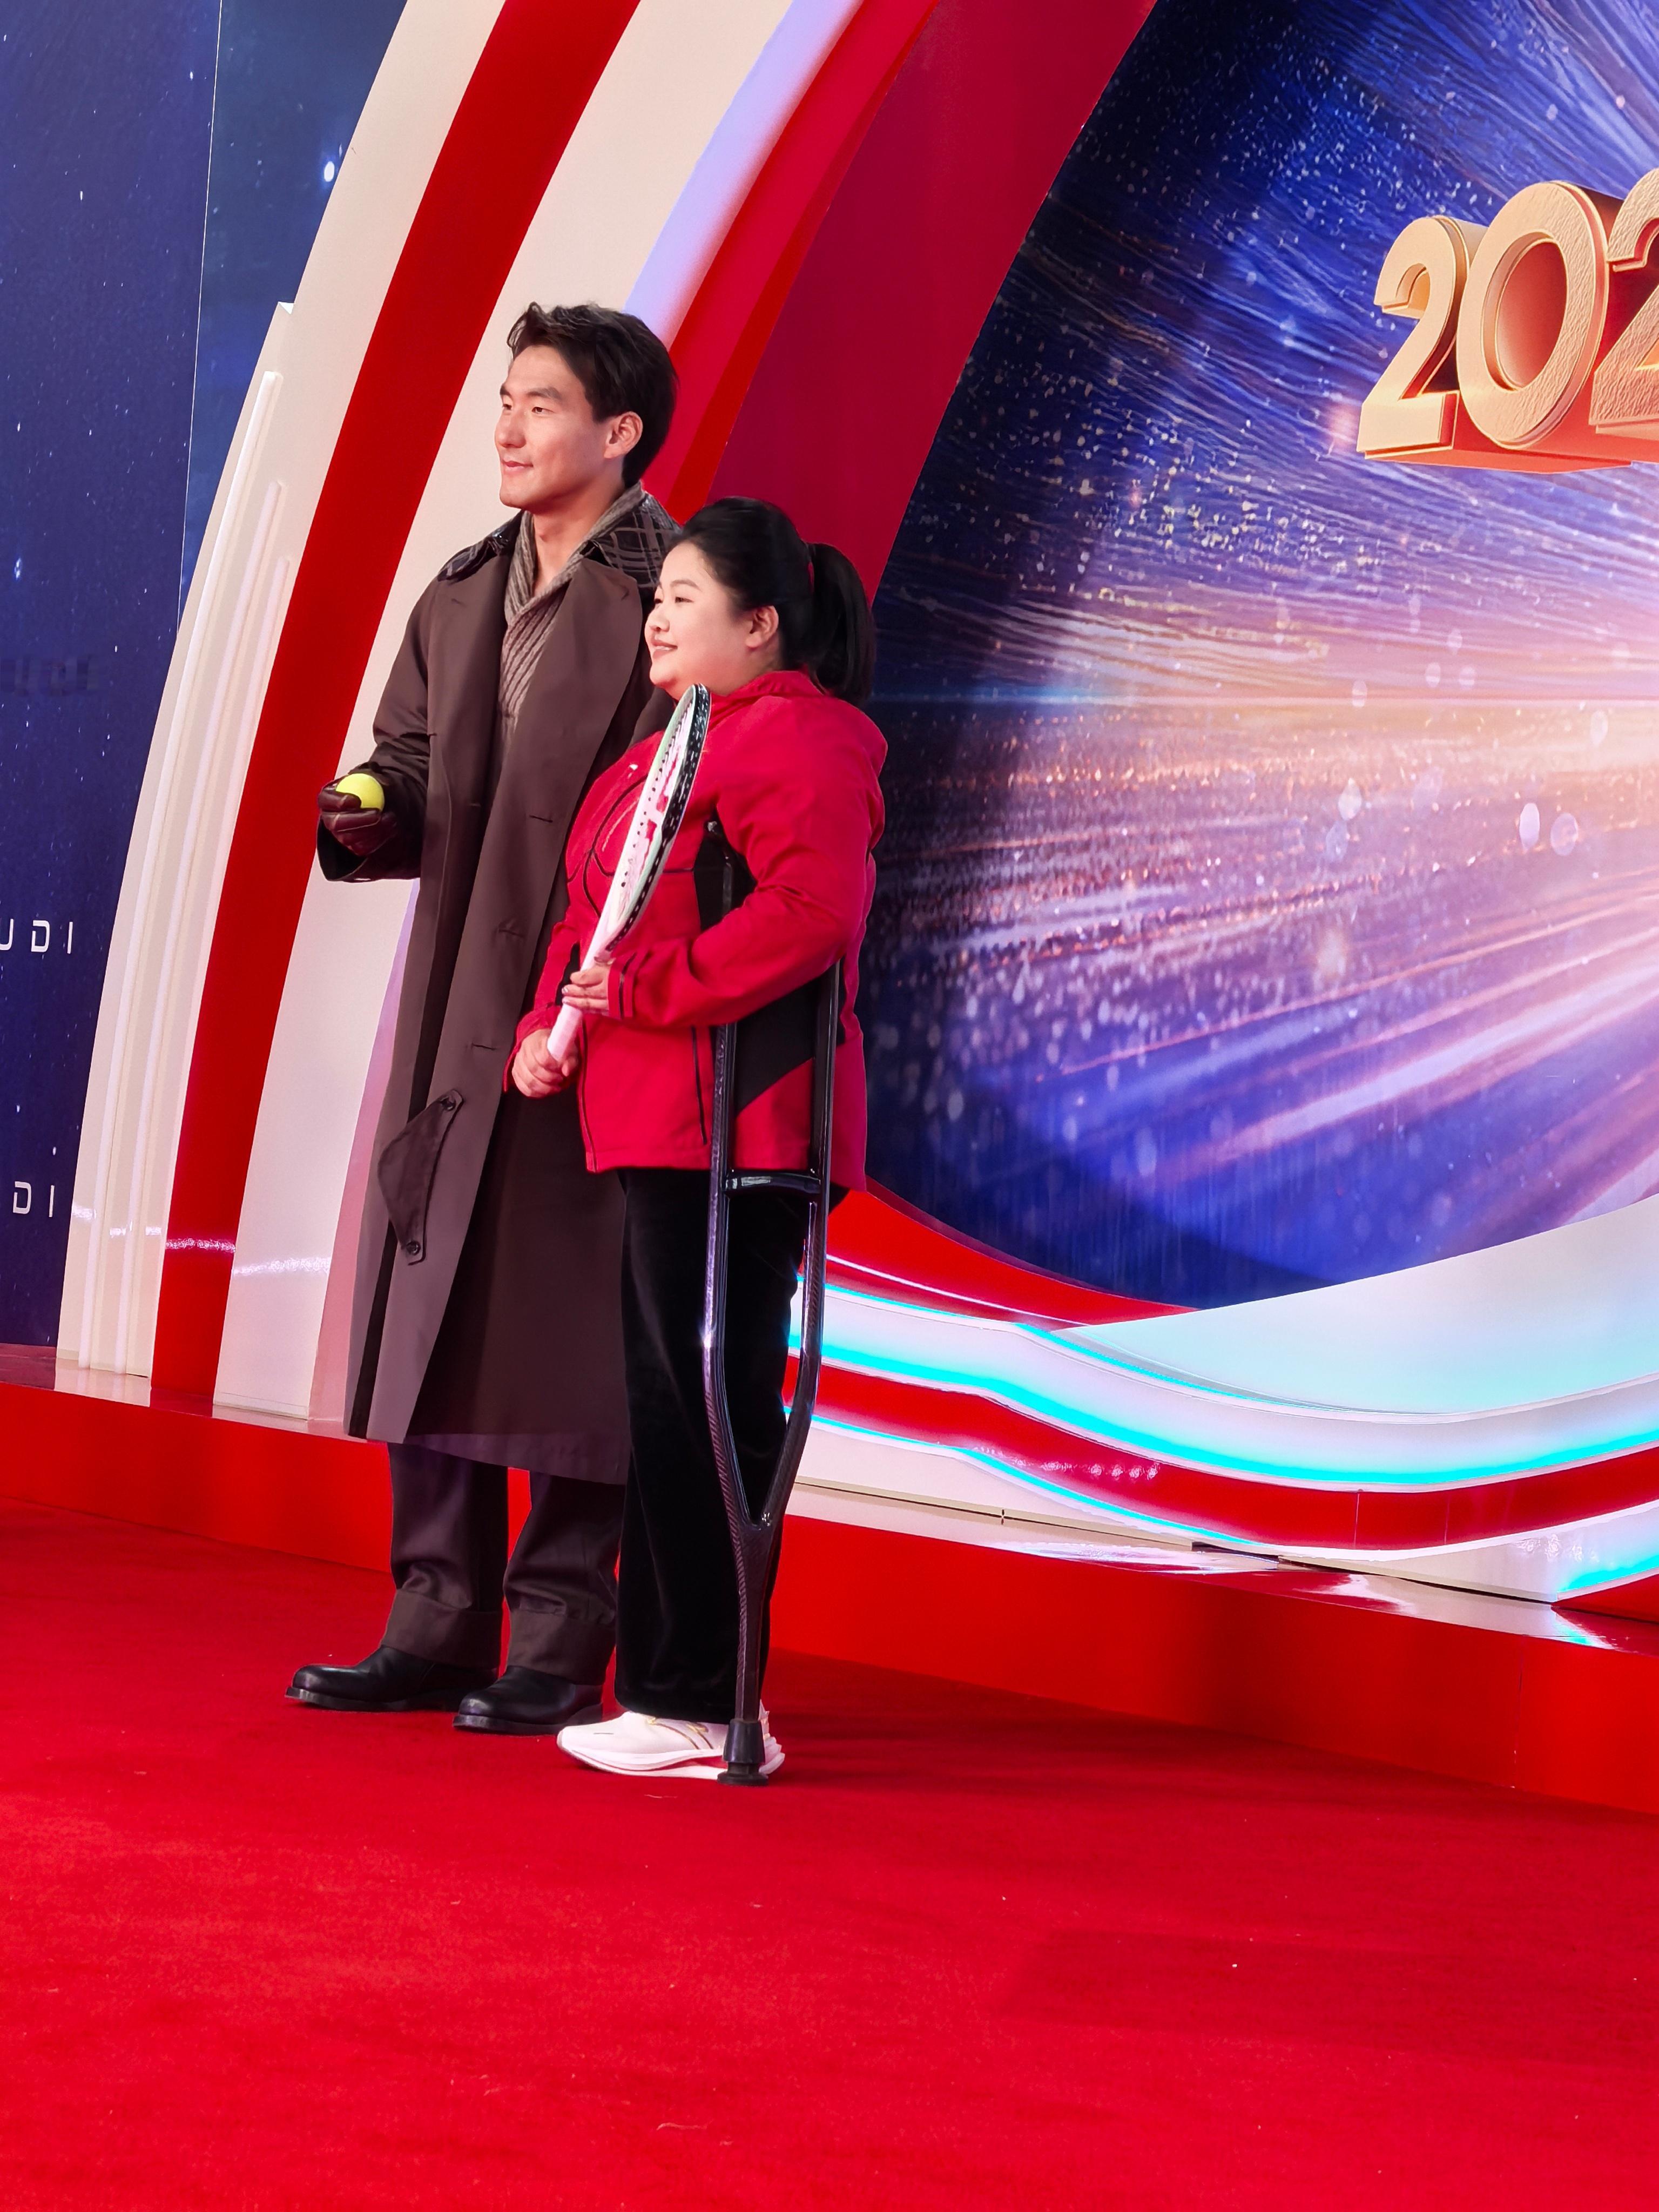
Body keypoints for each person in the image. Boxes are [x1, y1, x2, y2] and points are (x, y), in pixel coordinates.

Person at [287, 304, 678, 1734]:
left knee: (570, 1320)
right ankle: (434, 1616)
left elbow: (682, 802)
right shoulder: (460, 592)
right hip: (457, 998)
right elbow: (406, 758)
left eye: (540, 403)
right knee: (432, 1291)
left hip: (595, 1001)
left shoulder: (670, 592)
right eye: (504, 400)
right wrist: (369, 803)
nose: (508, 428)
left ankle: (562, 1633)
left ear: (620, 431)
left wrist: (599, 979)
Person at [509, 497, 885, 1779]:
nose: (658, 617)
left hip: (741, 1125)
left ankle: (706, 1701)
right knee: (669, 1396)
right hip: (659, 1119)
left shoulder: (798, 739)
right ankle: (679, 1691)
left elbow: (810, 912)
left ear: (761, 623)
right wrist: (552, 1020)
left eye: (684, 596)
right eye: (657, 596)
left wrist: (646, 989)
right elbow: (598, 913)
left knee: (707, 1400)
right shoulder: (668, 746)